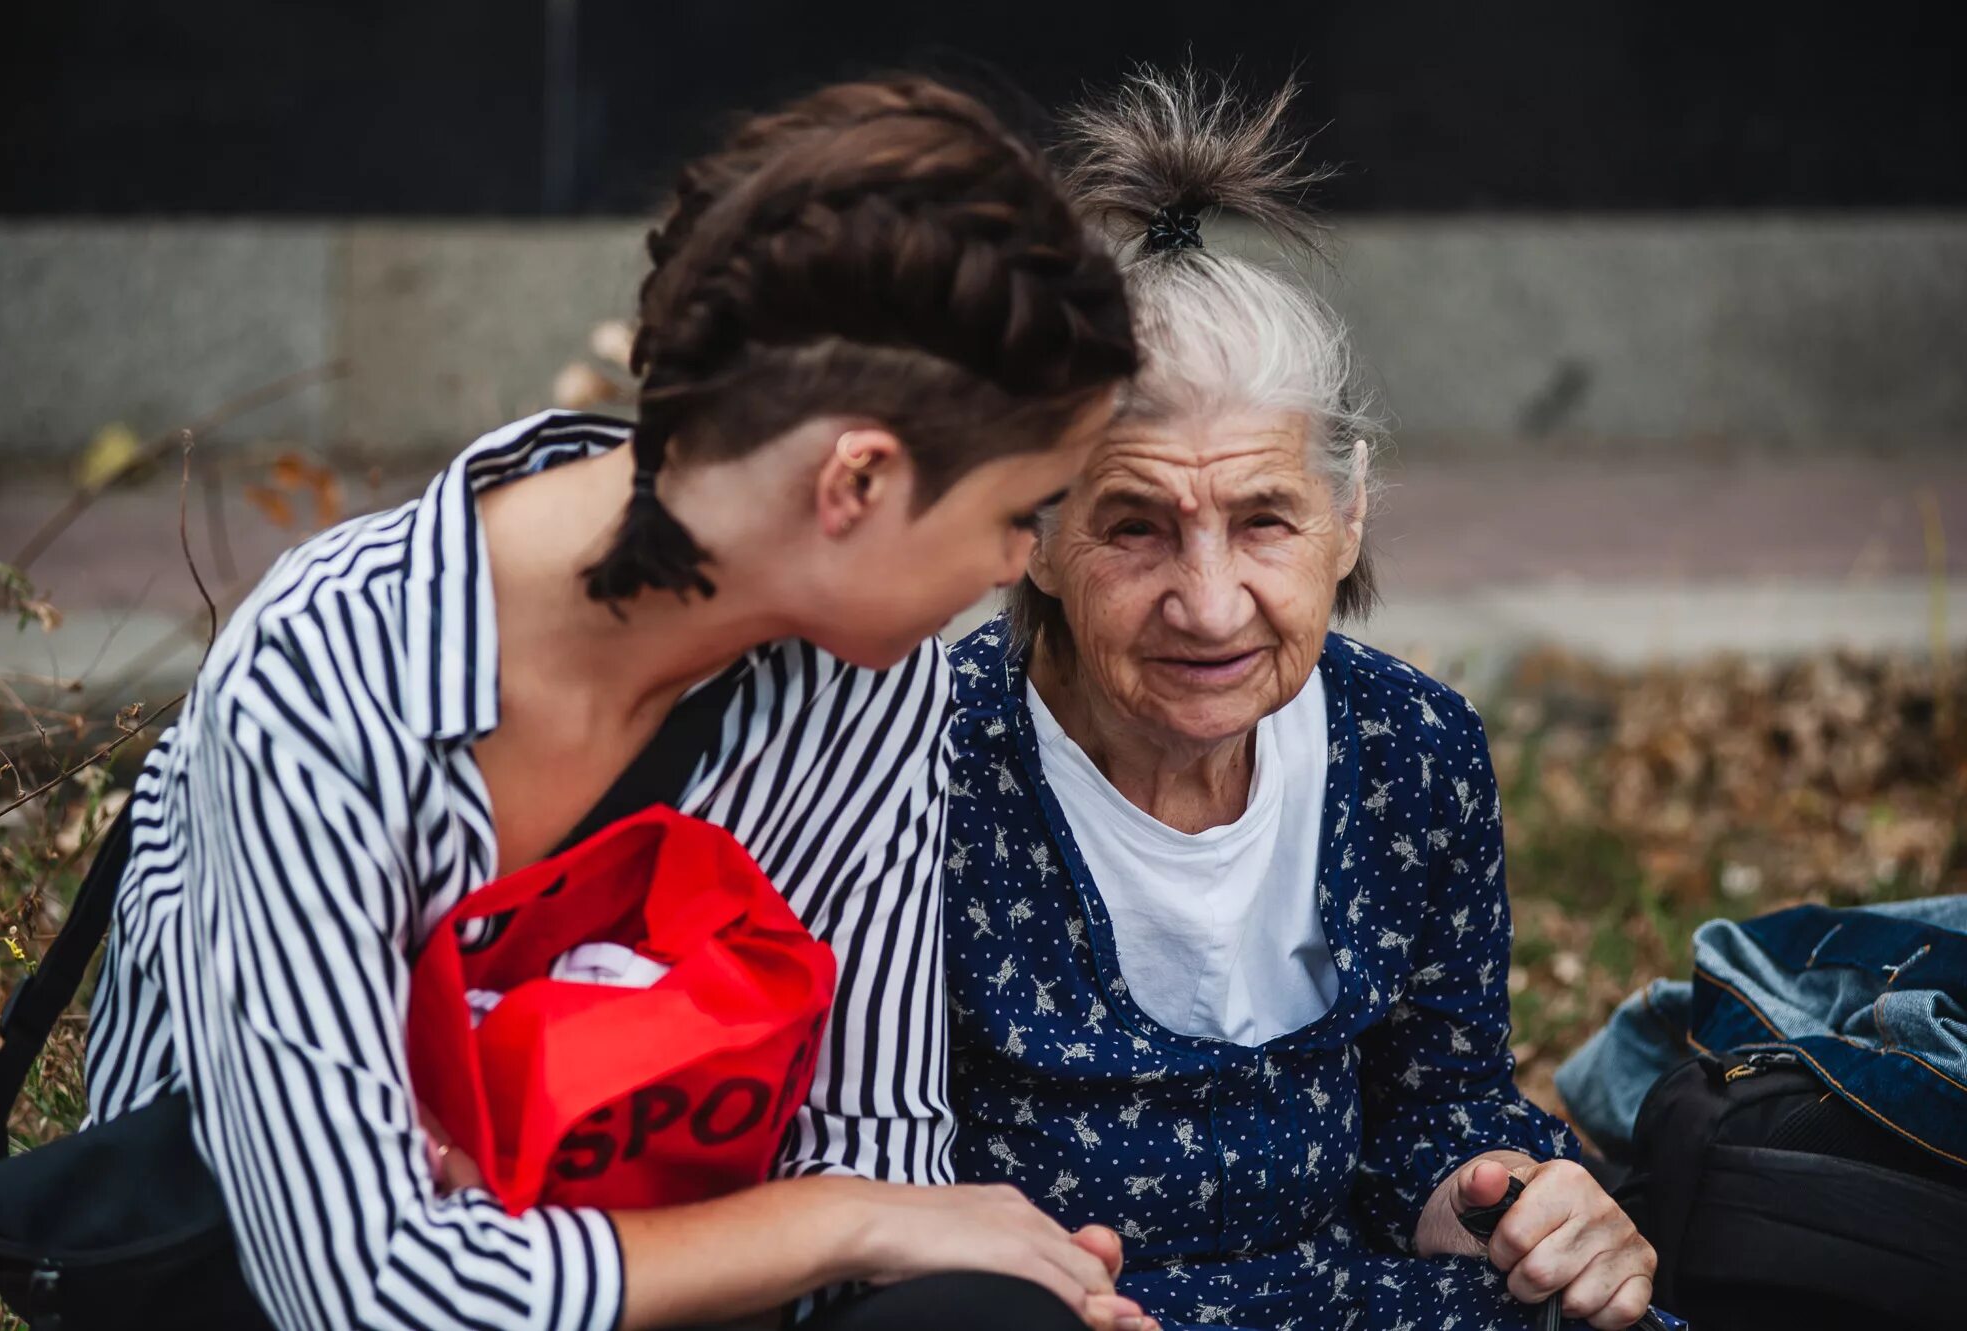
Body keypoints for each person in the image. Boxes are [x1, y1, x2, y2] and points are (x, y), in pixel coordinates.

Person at [84, 78, 1157, 1331]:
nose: (1016, 567)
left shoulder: (871, 681)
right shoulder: (330, 673)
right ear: (855, 478)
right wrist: (826, 1221)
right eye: (1013, 512)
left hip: (646, 1285)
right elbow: (363, 1287)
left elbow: (873, 1142)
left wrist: (982, 1265)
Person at [943, 70, 1657, 1330]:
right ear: (1035, 533)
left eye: (1263, 519)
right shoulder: (930, 769)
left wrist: (1519, 1203)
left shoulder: (1408, 748)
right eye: (1134, 527)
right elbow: (862, 1164)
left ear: (1347, 514)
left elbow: (1436, 1106)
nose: (1210, 602)